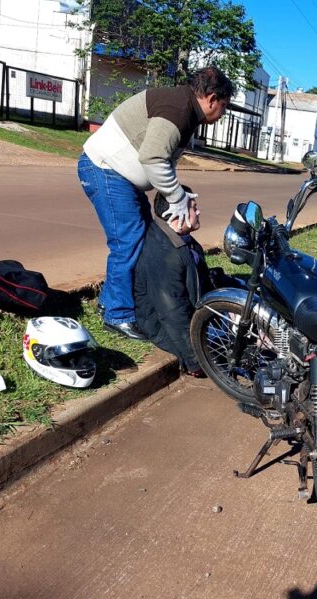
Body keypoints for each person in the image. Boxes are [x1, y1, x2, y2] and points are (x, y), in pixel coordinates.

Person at [77, 67, 234, 340]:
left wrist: (174, 194)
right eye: (224, 106)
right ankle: (118, 315)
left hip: (120, 177)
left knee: (141, 237)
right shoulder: (178, 109)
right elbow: (152, 158)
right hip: (106, 170)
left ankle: (110, 300)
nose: (222, 114)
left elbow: (163, 159)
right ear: (211, 99)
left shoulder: (185, 109)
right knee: (128, 240)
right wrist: (178, 197)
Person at [133, 194, 215, 377]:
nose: (198, 211)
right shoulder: (163, 255)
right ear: (177, 216)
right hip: (163, 327)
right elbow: (172, 313)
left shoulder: (183, 241)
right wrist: (195, 359)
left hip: (194, 313)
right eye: (193, 208)